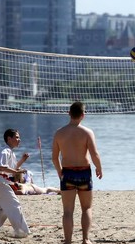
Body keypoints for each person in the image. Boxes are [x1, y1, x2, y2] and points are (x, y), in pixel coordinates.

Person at [52, 101, 103, 244]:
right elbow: (94, 154)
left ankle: (68, 241)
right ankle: (85, 239)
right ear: (83, 115)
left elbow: (54, 157)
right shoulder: (87, 132)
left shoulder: (59, 133)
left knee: (68, 210)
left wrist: (59, 171)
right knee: (86, 208)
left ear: (69, 113)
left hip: (67, 172)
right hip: (84, 173)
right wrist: (99, 168)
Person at [0, 129, 31, 238]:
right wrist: (16, 172)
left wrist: (22, 160)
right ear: (9, 138)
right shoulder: (5, 151)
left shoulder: (9, 152)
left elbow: (11, 168)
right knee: (14, 205)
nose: (19, 140)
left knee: (2, 209)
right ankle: (22, 232)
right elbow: (1, 167)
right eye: (16, 137)